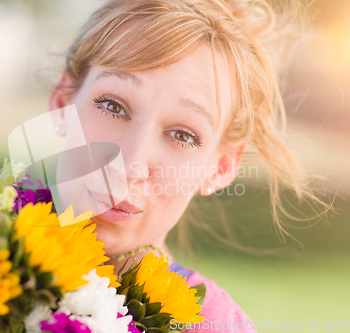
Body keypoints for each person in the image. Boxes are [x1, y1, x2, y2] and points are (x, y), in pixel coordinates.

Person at [46, 0, 332, 332]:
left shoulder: (212, 326)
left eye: (182, 135)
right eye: (112, 106)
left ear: (221, 167)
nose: (130, 165)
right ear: (62, 102)